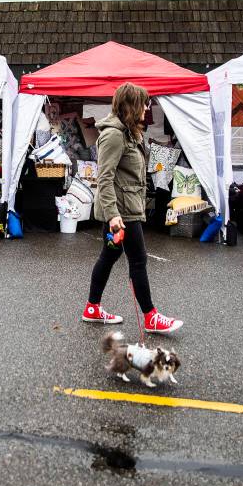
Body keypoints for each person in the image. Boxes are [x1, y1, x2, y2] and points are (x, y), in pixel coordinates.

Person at [82, 82, 183, 335]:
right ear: (132, 105)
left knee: (110, 255)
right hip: (121, 213)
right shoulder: (114, 134)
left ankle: (92, 308)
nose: (147, 108)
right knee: (138, 260)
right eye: (144, 104)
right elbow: (104, 178)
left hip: (124, 208)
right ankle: (150, 316)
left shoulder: (128, 131)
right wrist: (114, 215)